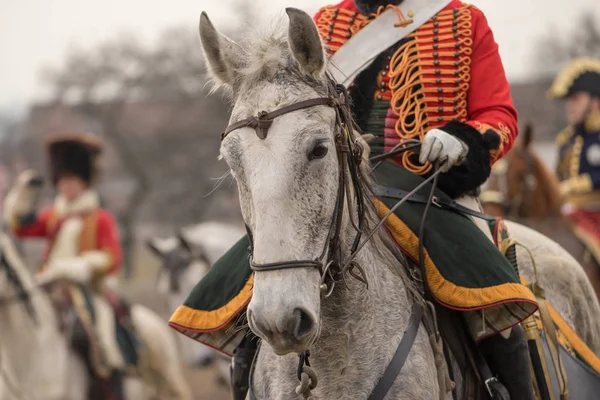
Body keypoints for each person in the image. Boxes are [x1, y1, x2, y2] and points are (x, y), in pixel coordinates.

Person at [170, 1, 538, 398]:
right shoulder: (326, 23)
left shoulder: (462, 21)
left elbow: (498, 112)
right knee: (246, 289)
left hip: (433, 186)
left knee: (493, 298)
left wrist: (461, 140)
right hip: (337, 184)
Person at [3, 132, 125, 400]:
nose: (66, 187)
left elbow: (112, 257)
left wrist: (78, 267)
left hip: (86, 290)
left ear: (84, 182)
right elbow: (21, 227)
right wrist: (23, 193)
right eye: (62, 181)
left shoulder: (99, 217)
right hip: (49, 287)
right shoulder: (54, 215)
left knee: (94, 334)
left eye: (71, 180)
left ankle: (109, 387)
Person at [550, 57, 600, 265]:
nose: (569, 106)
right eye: (568, 100)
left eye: (576, 99)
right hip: (572, 213)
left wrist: (576, 186)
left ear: (595, 102)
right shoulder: (566, 140)